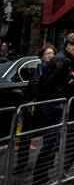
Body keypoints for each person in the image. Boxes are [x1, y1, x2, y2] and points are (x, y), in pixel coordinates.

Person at [31, 32, 74, 185]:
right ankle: (40, 180)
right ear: (69, 45)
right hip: (53, 103)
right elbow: (50, 82)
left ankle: (42, 177)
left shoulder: (61, 59)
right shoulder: (63, 60)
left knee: (52, 142)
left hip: (51, 102)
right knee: (50, 142)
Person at [15, 42, 55, 176]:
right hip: (33, 108)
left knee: (49, 136)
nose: (50, 56)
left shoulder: (54, 70)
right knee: (26, 137)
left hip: (43, 107)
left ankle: (48, 162)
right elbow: (33, 87)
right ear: (42, 57)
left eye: (52, 54)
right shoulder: (38, 70)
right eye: (47, 54)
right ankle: (21, 165)